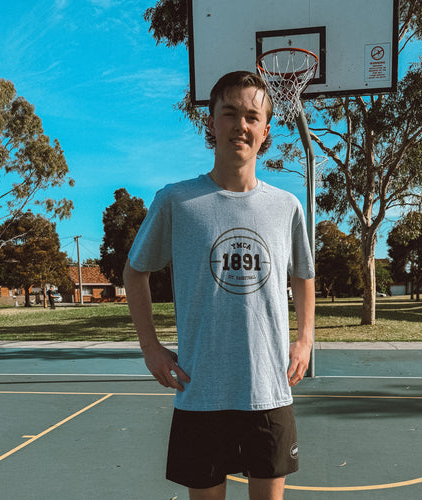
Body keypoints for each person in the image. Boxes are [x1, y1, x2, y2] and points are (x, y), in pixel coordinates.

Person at [123, 71, 315, 500]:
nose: (241, 125)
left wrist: (305, 340)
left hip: (268, 390)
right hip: (201, 391)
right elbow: (135, 272)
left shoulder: (287, 206)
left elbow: (303, 274)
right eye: (229, 113)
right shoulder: (177, 200)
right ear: (211, 122)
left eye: (252, 116)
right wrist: (150, 347)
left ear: (266, 129)